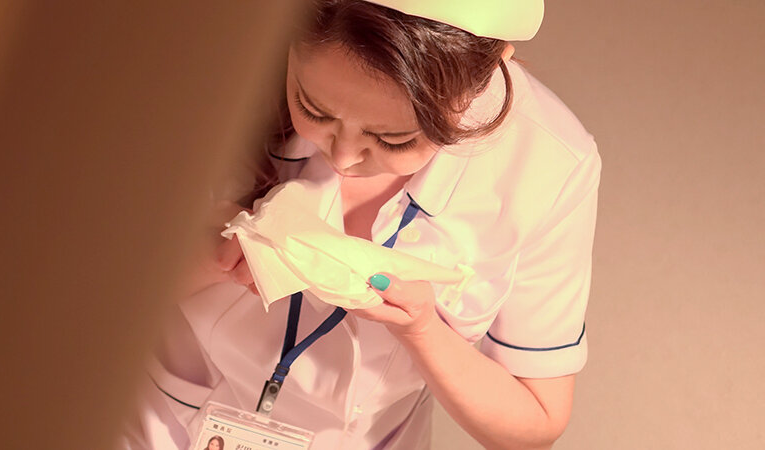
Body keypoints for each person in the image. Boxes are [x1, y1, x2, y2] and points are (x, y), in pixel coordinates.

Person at [122, 1, 601, 449]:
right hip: (152, 423)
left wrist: (421, 330)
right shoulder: (209, 74)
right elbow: (89, 292)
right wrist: (207, 258)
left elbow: (537, 420)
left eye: (393, 139)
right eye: (312, 109)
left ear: (486, 74)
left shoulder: (549, 164)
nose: (345, 159)